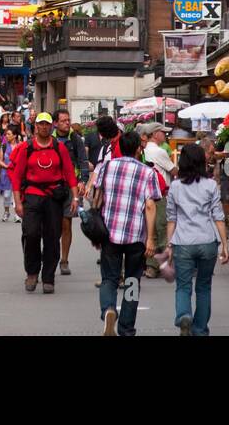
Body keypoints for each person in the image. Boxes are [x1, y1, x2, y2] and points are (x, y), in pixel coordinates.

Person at [94, 131, 160, 336]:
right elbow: (150, 205)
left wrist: (96, 232)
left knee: (109, 279)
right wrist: (150, 238)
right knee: (132, 281)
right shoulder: (147, 172)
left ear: (120, 147)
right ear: (139, 149)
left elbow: (98, 196)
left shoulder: (108, 166)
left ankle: (108, 309)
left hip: (110, 233)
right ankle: (126, 327)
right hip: (135, 236)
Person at [10, 113, 78, 293]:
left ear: (51, 126)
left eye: (47, 124)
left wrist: (75, 197)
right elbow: (17, 178)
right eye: (41, 124)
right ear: (36, 127)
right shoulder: (27, 148)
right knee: (31, 234)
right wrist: (17, 203)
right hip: (32, 196)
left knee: (52, 237)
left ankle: (48, 277)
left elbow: (70, 173)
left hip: (54, 197)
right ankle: (32, 272)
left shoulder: (59, 147)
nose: (44, 127)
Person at [167, 143, 229, 336]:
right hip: (207, 241)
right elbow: (218, 216)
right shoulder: (210, 185)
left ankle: (184, 315)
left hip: (183, 242)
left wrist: (170, 245)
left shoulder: (175, 187)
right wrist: (225, 244)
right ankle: (200, 330)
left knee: (183, 286)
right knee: (203, 287)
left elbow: (172, 219)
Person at [54, 107, 89, 275]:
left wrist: (83, 181)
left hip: (70, 186)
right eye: (63, 121)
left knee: (66, 223)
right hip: (51, 186)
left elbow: (83, 160)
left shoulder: (75, 139)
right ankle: (51, 257)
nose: (67, 123)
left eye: (68, 120)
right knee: (52, 225)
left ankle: (64, 260)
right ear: (55, 123)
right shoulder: (50, 139)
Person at [138, 122, 176, 276]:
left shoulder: (144, 150)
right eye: (162, 132)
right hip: (160, 193)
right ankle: (154, 266)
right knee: (161, 228)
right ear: (154, 134)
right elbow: (174, 170)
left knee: (149, 229)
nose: (165, 135)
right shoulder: (159, 152)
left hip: (144, 193)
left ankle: (149, 264)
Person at [0, 125, 20, 222]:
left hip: (17, 174)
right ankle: (6, 212)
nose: (6, 136)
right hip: (6, 174)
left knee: (17, 195)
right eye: (6, 134)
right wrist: (5, 166)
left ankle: (17, 215)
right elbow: (0, 160)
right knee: (6, 195)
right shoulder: (4, 146)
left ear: (15, 136)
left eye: (9, 134)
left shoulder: (20, 146)